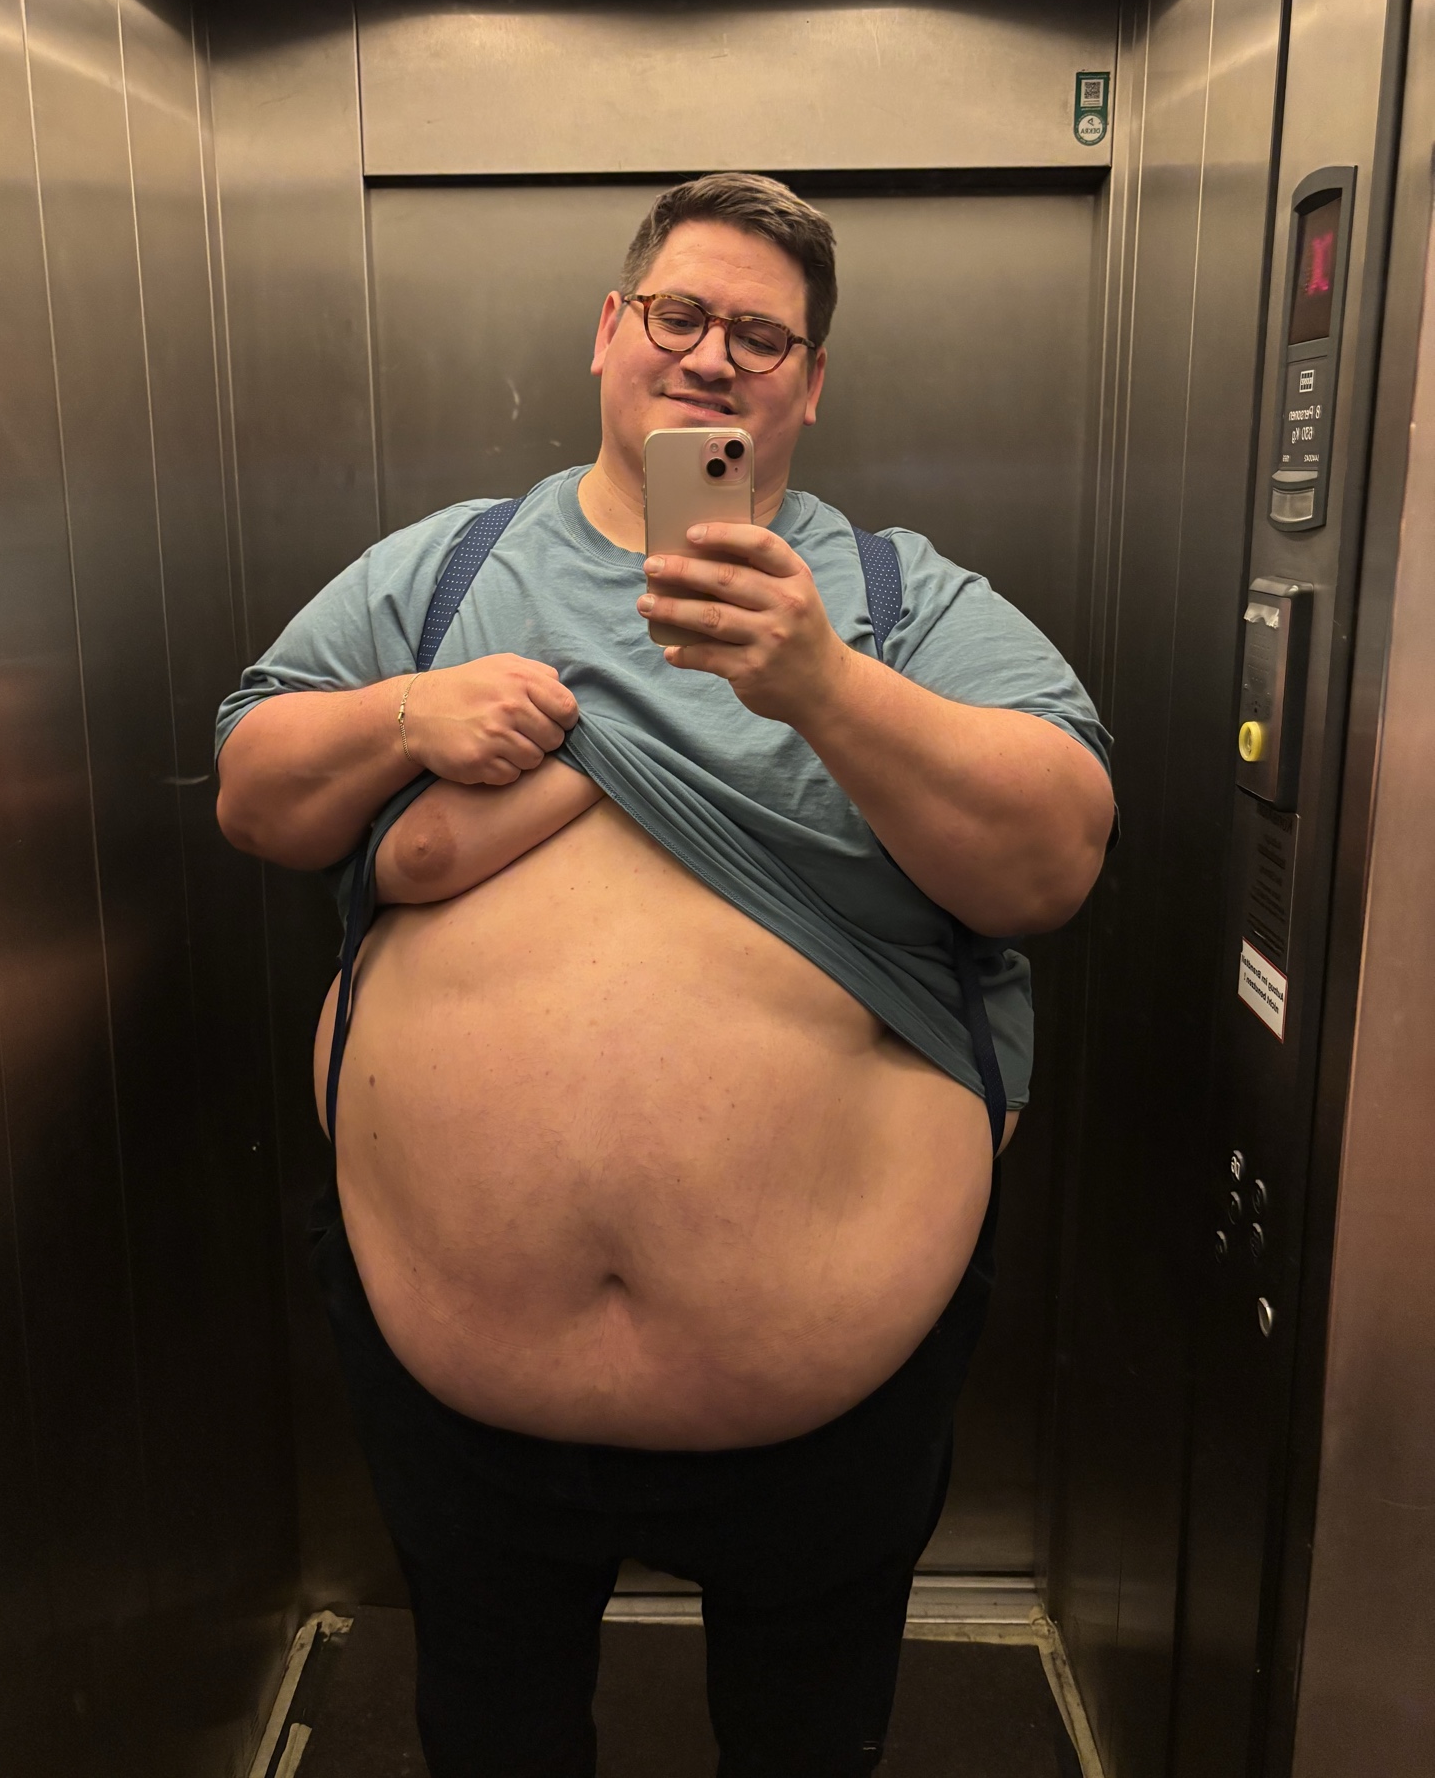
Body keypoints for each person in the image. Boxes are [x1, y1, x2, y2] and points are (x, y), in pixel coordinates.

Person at [214, 172, 1114, 1777]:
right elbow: (256, 794)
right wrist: (405, 715)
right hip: (452, 1383)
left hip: (832, 1411)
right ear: (608, 333)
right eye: (678, 313)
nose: (711, 356)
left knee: (803, 1743)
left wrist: (822, 685)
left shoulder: (896, 602)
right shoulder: (445, 573)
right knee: (493, 1736)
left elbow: (1054, 855)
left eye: (762, 336)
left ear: (810, 385)